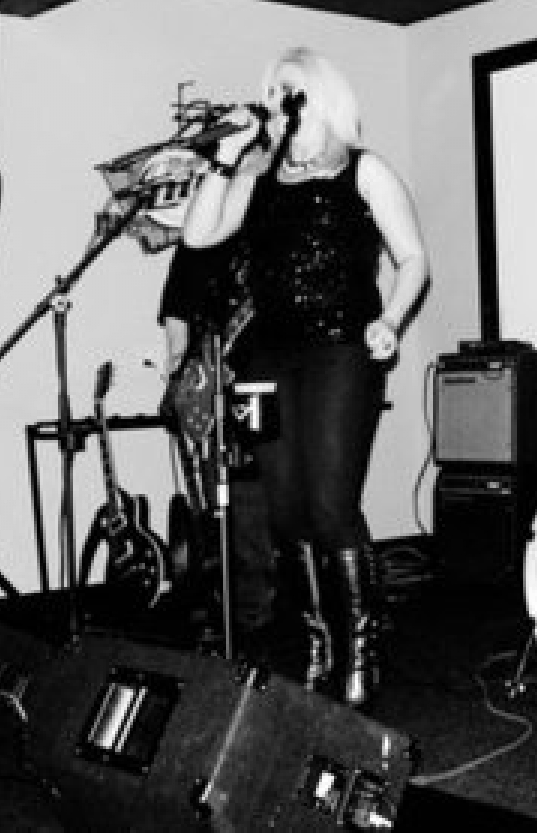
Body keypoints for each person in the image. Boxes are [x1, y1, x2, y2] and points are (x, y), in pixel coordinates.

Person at [183, 47, 429, 708]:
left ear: (319, 96)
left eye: (287, 90)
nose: (275, 101)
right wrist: (224, 157)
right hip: (268, 359)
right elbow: (199, 236)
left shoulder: (363, 171)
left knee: (329, 505)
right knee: (286, 510)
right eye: (270, 92)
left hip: (341, 351)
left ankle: (361, 651)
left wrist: (392, 320)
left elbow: (413, 259)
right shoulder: (257, 178)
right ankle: (320, 644)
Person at [157, 240, 276, 658]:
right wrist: (182, 374)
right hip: (216, 390)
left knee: (260, 500)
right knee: (224, 502)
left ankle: (262, 620)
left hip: (268, 382)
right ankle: (239, 618)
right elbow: (176, 308)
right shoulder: (198, 241)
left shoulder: (267, 228)